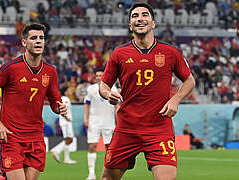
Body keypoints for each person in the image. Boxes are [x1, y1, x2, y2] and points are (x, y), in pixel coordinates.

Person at [98, 2, 196, 180]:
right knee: (107, 178)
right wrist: (107, 93)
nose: (140, 19)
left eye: (145, 15)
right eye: (135, 16)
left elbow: (190, 80)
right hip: (127, 127)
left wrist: (175, 100)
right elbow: (104, 85)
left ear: (153, 23)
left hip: (159, 127)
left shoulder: (171, 52)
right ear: (130, 25)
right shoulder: (119, 53)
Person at [0, 23, 68, 180]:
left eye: (41, 38)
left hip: (36, 137)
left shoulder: (50, 71)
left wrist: (60, 107)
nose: (38, 41)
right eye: (33, 38)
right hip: (11, 136)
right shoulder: (11, 68)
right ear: (24, 42)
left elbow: (55, 101)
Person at [84, 67, 118, 180]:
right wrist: (86, 119)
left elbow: (117, 106)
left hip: (109, 122)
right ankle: (91, 173)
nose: (99, 77)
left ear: (104, 76)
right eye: (97, 75)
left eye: (101, 75)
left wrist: (119, 121)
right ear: (95, 77)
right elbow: (87, 104)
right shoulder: (91, 89)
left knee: (110, 149)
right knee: (92, 146)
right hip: (94, 122)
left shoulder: (113, 89)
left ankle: (113, 174)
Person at [52, 86, 77, 164]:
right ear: (65, 92)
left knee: (69, 139)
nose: (71, 91)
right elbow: (63, 110)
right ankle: (57, 151)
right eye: (69, 90)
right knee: (69, 139)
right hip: (65, 122)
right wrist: (66, 118)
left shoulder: (65, 99)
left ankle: (67, 158)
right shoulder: (65, 99)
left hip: (67, 122)